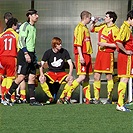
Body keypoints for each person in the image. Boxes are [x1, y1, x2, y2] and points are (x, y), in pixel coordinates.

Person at [4, 9, 43, 106]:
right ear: (29, 16)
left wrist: (34, 56)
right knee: (21, 76)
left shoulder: (33, 27)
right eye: (35, 15)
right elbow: (21, 41)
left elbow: (32, 43)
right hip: (23, 53)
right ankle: (7, 96)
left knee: (32, 76)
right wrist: (26, 54)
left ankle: (33, 100)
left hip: (31, 53)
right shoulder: (25, 26)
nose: (37, 16)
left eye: (37, 14)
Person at [60, 11, 93, 104]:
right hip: (81, 54)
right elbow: (78, 44)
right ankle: (68, 94)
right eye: (89, 18)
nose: (90, 20)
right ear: (85, 18)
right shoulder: (79, 28)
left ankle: (88, 99)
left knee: (86, 77)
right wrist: (81, 56)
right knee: (82, 76)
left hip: (87, 54)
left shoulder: (85, 28)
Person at [90, 11, 119, 104]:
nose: (105, 18)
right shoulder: (103, 26)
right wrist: (94, 22)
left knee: (108, 76)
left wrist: (104, 44)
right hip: (100, 54)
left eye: (107, 17)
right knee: (96, 76)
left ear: (111, 19)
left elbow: (117, 44)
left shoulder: (116, 29)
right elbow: (92, 29)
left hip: (108, 54)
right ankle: (96, 98)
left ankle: (109, 98)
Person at [39, 37, 73, 104]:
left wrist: (70, 74)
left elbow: (70, 64)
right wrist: (41, 74)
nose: (61, 45)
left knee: (71, 79)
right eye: (59, 44)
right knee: (41, 79)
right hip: (51, 73)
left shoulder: (64, 52)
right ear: (54, 45)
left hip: (61, 73)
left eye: (60, 44)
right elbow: (41, 64)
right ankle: (51, 97)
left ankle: (61, 98)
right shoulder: (48, 52)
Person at [115, 10, 133, 112]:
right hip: (126, 57)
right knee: (125, 79)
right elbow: (118, 42)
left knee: (124, 79)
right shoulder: (125, 27)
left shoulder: (126, 27)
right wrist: (126, 51)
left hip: (125, 56)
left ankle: (120, 103)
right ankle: (120, 104)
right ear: (130, 18)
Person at [0, 17, 19, 105]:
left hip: (1, 58)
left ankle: (3, 97)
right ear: (13, 25)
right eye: (16, 25)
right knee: (11, 78)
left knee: (3, 77)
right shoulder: (16, 35)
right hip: (11, 58)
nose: (17, 27)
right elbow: (18, 48)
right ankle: (8, 97)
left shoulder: (1, 35)